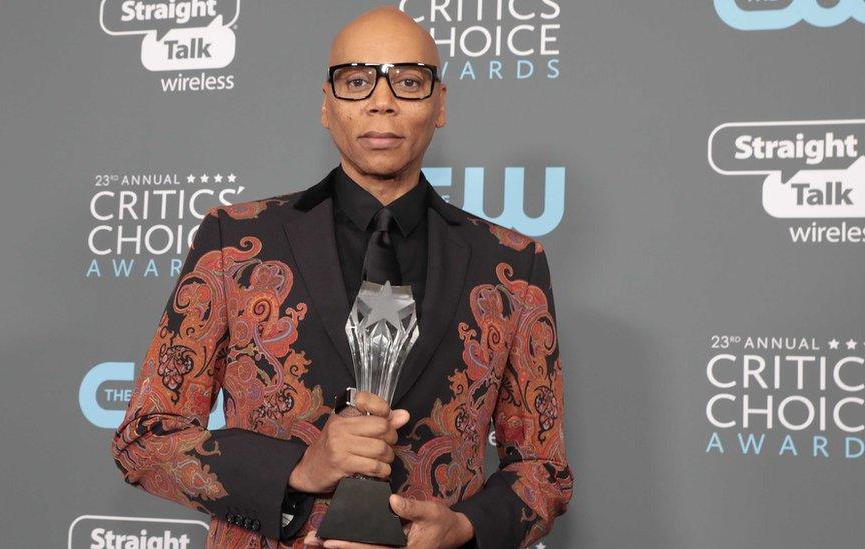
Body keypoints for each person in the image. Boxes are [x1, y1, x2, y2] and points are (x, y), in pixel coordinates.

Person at [109, 6, 573, 549]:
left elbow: (545, 471)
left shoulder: (511, 267)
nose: (382, 100)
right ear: (326, 105)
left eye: (408, 81)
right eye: (356, 81)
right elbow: (145, 437)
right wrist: (299, 469)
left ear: (439, 103)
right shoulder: (234, 244)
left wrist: (463, 529)